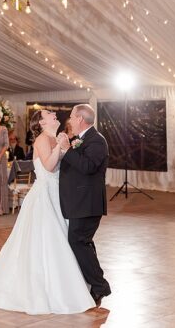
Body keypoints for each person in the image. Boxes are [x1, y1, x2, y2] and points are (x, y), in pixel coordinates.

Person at [0, 109, 96, 314]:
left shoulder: (57, 137)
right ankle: (47, 289)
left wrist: (65, 146)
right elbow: (50, 167)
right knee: (47, 241)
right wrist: (62, 148)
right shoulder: (43, 140)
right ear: (42, 123)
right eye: (49, 114)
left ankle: (68, 282)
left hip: (59, 196)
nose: (54, 114)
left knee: (64, 239)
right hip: (44, 197)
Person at [58, 104, 112, 306]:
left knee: (79, 241)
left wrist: (67, 149)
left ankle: (99, 286)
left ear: (80, 119)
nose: (70, 119)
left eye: (72, 116)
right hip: (80, 202)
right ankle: (92, 285)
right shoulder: (82, 139)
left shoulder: (97, 141)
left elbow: (87, 167)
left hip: (88, 203)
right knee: (83, 242)